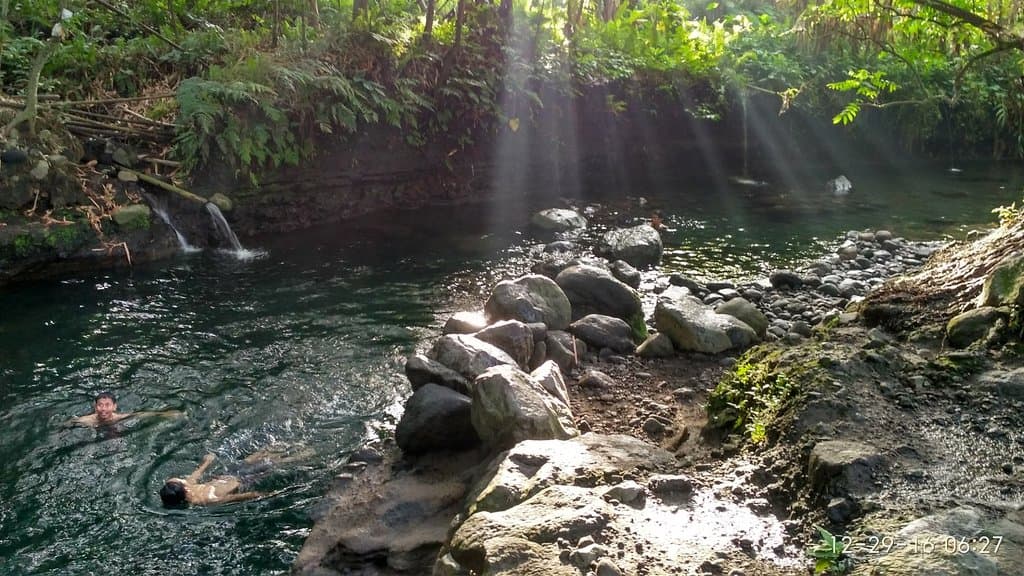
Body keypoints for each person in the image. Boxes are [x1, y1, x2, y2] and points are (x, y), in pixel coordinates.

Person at [160, 453, 265, 507]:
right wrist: (261, 495)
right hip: (245, 479)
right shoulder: (209, 499)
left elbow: (195, 475)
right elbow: (236, 497)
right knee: (271, 461)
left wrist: (207, 461)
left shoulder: (188, 488)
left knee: (259, 455)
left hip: (229, 473)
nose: (184, 481)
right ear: (185, 490)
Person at [72, 392, 182, 427]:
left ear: (114, 407)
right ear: (95, 407)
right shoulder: (87, 420)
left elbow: (141, 414)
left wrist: (165, 414)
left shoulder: (118, 418)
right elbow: (69, 423)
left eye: (107, 405)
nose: (103, 409)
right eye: (100, 405)